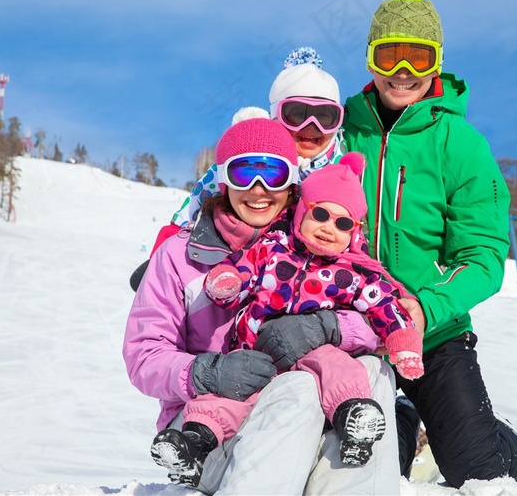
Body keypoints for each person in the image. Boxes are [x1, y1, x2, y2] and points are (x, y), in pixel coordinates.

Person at [341, 0, 517, 488]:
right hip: (349, 332)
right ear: (371, 59)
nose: (402, 72)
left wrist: (426, 307)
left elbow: (483, 256)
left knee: (476, 472)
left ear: (435, 62)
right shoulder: (340, 130)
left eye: (417, 58)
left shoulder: (460, 144)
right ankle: (405, 423)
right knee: (358, 468)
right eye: (389, 55)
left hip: (433, 333)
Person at [123, 116, 401, 494]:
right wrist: (207, 372)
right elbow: (143, 355)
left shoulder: (321, 237)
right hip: (209, 426)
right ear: (223, 181)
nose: (258, 190)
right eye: (244, 173)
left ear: (291, 183)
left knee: (373, 371)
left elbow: (381, 308)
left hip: (302, 420)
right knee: (300, 386)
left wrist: (329, 327)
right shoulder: (180, 256)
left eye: (272, 174)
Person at [175, 153, 423, 467]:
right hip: (257, 349)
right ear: (303, 210)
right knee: (232, 387)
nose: (328, 228)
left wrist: (404, 341)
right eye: (320, 214)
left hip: (311, 352)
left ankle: (353, 416)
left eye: (343, 223)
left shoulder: (350, 273)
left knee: (336, 365)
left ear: (353, 232)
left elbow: (383, 304)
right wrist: (226, 282)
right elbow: (241, 269)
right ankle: (197, 439)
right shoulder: (273, 248)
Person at [128, 47, 346, 291]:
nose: (311, 126)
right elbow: (197, 201)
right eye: (297, 114)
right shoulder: (250, 156)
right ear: (275, 116)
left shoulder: (339, 169)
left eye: (325, 117)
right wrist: (162, 257)